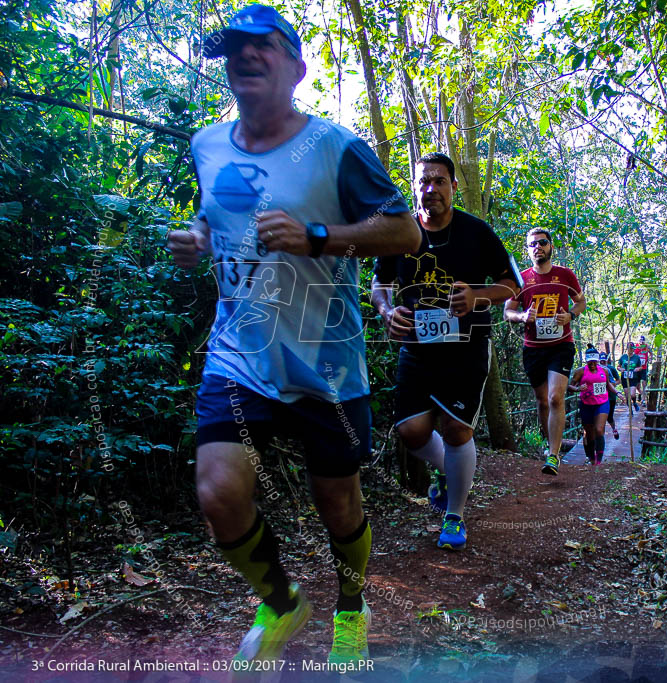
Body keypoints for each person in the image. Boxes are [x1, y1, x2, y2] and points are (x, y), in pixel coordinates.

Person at [166, 4, 419, 668]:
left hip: (326, 364)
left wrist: (320, 237)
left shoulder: (336, 148)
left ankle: (351, 607)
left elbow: (405, 231)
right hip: (239, 354)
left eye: (264, 47)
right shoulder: (205, 144)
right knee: (218, 491)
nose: (245, 57)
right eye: (234, 49)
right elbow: (215, 211)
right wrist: (197, 237)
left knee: (338, 504)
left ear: (297, 67)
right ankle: (280, 603)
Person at [371, 152, 519, 551]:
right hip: (417, 346)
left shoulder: (477, 233)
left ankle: (454, 515)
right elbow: (379, 284)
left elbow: (511, 286)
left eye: (439, 181)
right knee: (410, 431)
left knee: (457, 429)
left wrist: (476, 295)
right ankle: (451, 473)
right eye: (424, 181)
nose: (431, 188)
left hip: (467, 347)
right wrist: (387, 310)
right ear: (415, 187)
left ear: (454, 187)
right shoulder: (398, 234)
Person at [504, 228, 585, 476]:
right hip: (534, 349)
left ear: (551, 247)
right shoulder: (522, 279)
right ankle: (548, 444)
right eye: (532, 244)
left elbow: (581, 302)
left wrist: (570, 314)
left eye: (542, 243)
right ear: (528, 250)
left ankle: (553, 455)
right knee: (542, 402)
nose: (537, 247)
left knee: (555, 398)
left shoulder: (565, 275)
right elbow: (508, 311)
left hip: (561, 345)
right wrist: (522, 316)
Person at [568, 348, 612, 466]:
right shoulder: (580, 372)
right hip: (586, 405)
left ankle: (598, 460)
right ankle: (591, 458)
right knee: (589, 432)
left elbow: (608, 385)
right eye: (590, 362)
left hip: (602, 403)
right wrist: (578, 388)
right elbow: (570, 387)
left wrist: (617, 393)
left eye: (594, 362)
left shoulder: (604, 371)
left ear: (597, 361)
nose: (592, 364)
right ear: (586, 361)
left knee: (598, 429)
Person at [598, 351, 621, 440]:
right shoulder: (595, 369)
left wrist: (613, 384)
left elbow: (618, 380)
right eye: (601, 361)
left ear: (607, 361)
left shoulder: (611, 369)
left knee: (609, 416)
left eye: (604, 361)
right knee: (600, 416)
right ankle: (600, 437)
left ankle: (614, 429)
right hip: (600, 397)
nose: (603, 363)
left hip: (611, 397)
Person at [618, 342, 642, 412]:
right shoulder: (623, 357)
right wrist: (620, 369)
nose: (631, 350)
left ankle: (634, 402)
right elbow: (618, 366)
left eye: (632, 348)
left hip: (633, 377)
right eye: (630, 348)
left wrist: (637, 369)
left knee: (632, 394)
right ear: (627, 349)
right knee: (627, 395)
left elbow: (640, 367)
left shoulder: (636, 357)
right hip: (625, 378)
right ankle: (630, 410)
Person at [635, 334, 652, 401]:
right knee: (637, 386)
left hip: (644, 368)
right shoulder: (635, 346)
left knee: (644, 384)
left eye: (642, 341)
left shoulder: (647, 346)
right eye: (640, 341)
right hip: (636, 368)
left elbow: (651, 353)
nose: (641, 342)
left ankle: (643, 400)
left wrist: (650, 359)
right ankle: (641, 394)